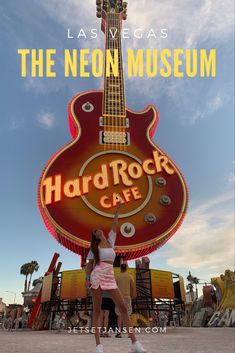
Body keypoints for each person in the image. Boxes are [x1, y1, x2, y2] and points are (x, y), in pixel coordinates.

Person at [86, 203, 146, 353]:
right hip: (97, 275)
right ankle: (98, 346)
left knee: (123, 308)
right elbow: (89, 265)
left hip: (110, 276)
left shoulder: (111, 241)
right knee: (98, 311)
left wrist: (118, 210)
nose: (97, 230)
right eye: (94, 231)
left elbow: (114, 224)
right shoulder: (94, 248)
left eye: (97, 229)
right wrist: (88, 279)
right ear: (95, 235)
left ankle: (134, 343)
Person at [115, 263, 136, 338]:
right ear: (126, 268)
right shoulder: (130, 276)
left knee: (119, 315)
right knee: (128, 315)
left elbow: (115, 288)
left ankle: (119, 333)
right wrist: (132, 295)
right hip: (127, 297)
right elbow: (133, 287)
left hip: (119, 297)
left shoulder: (117, 277)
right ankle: (130, 333)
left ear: (120, 268)